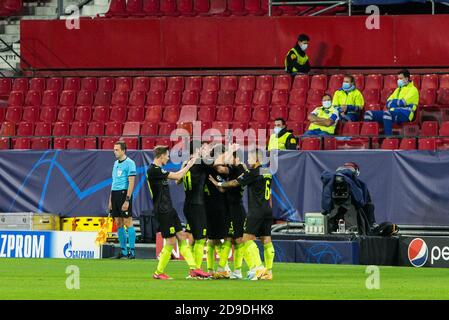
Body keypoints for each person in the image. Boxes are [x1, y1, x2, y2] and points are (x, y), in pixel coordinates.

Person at [208, 148, 275, 281]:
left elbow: (234, 182)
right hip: (267, 209)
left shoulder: (252, 172)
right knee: (266, 240)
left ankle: (258, 269)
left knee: (246, 239)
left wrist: (218, 183)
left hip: (256, 211)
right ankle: (268, 271)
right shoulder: (267, 171)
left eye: (250, 158)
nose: (248, 160)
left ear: (256, 159)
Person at [147, 145, 210, 280]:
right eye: (167, 155)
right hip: (162, 210)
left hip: (169, 208)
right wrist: (190, 164)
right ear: (161, 155)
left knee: (181, 236)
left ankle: (194, 269)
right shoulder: (153, 170)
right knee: (170, 241)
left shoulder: (159, 170)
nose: (168, 157)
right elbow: (178, 176)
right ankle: (158, 272)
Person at [179, 141, 209, 272]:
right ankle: (197, 269)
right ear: (198, 149)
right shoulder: (200, 163)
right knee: (201, 239)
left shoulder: (186, 163)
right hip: (198, 205)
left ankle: (193, 269)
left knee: (193, 237)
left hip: (188, 205)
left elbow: (178, 180)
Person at [364, 69, 419, 136]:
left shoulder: (413, 90)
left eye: (401, 78)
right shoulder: (398, 90)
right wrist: (396, 103)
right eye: (398, 78)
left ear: (407, 78)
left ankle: (388, 139)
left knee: (387, 114)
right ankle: (370, 139)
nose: (399, 80)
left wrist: (394, 103)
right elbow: (388, 103)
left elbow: (402, 103)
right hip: (393, 112)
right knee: (368, 114)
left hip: (406, 114)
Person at [109, 141, 137, 259]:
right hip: (115, 194)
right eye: (114, 149)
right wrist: (110, 199)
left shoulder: (130, 163)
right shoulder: (115, 163)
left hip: (124, 194)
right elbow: (114, 182)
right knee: (118, 223)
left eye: (117, 150)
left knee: (127, 222)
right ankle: (123, 251)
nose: (114, 152)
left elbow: (131, 183)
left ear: (123, 150)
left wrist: (127, 200)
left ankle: (132, 251)